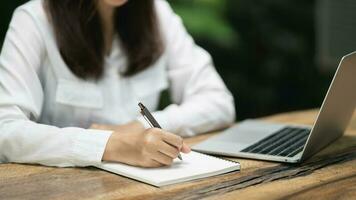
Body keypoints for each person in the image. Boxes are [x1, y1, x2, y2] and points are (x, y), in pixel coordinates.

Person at [0, 0, 235, 168]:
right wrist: (112, 145)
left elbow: (219, 102)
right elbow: (6, 129)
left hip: (148, 186)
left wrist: (139, 127)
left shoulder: (157, 12)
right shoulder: (34, 19)